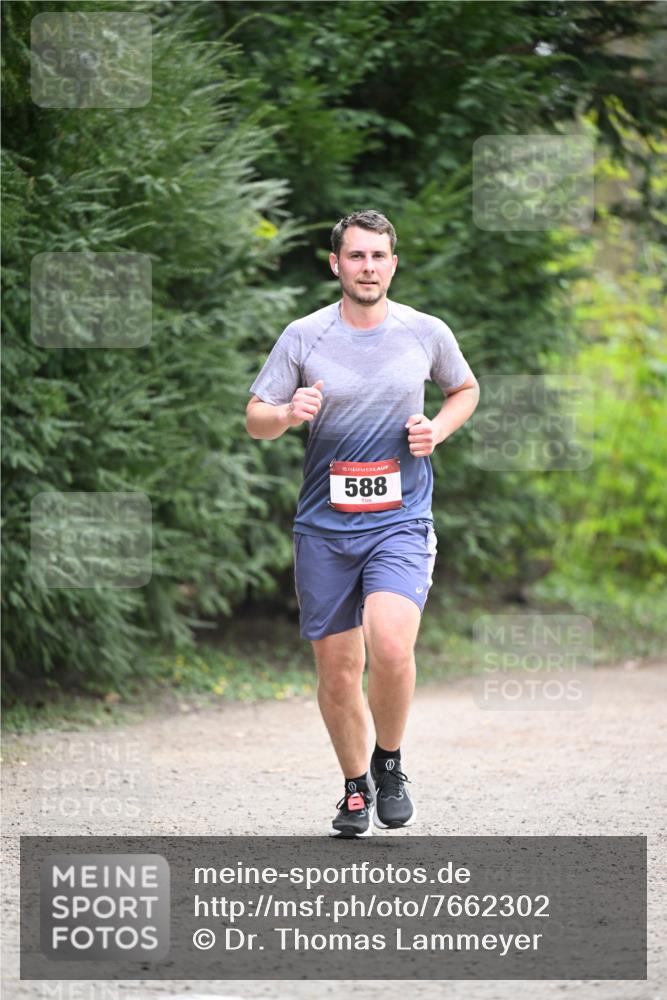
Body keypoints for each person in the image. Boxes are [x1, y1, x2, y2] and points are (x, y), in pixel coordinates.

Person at [246, 209, 479, 837]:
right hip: (324, 529)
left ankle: (389, 763)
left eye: (378, 256)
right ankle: (355, 788)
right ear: (336, 264)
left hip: (400, 520)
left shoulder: (425, 332)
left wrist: (438, 430)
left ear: (393, 264)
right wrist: (287, 414)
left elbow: (465, 389)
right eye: (356, 256)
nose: (367, 267)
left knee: (392, 644)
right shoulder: (304, 336)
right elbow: (255, 418)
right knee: (338, 671)